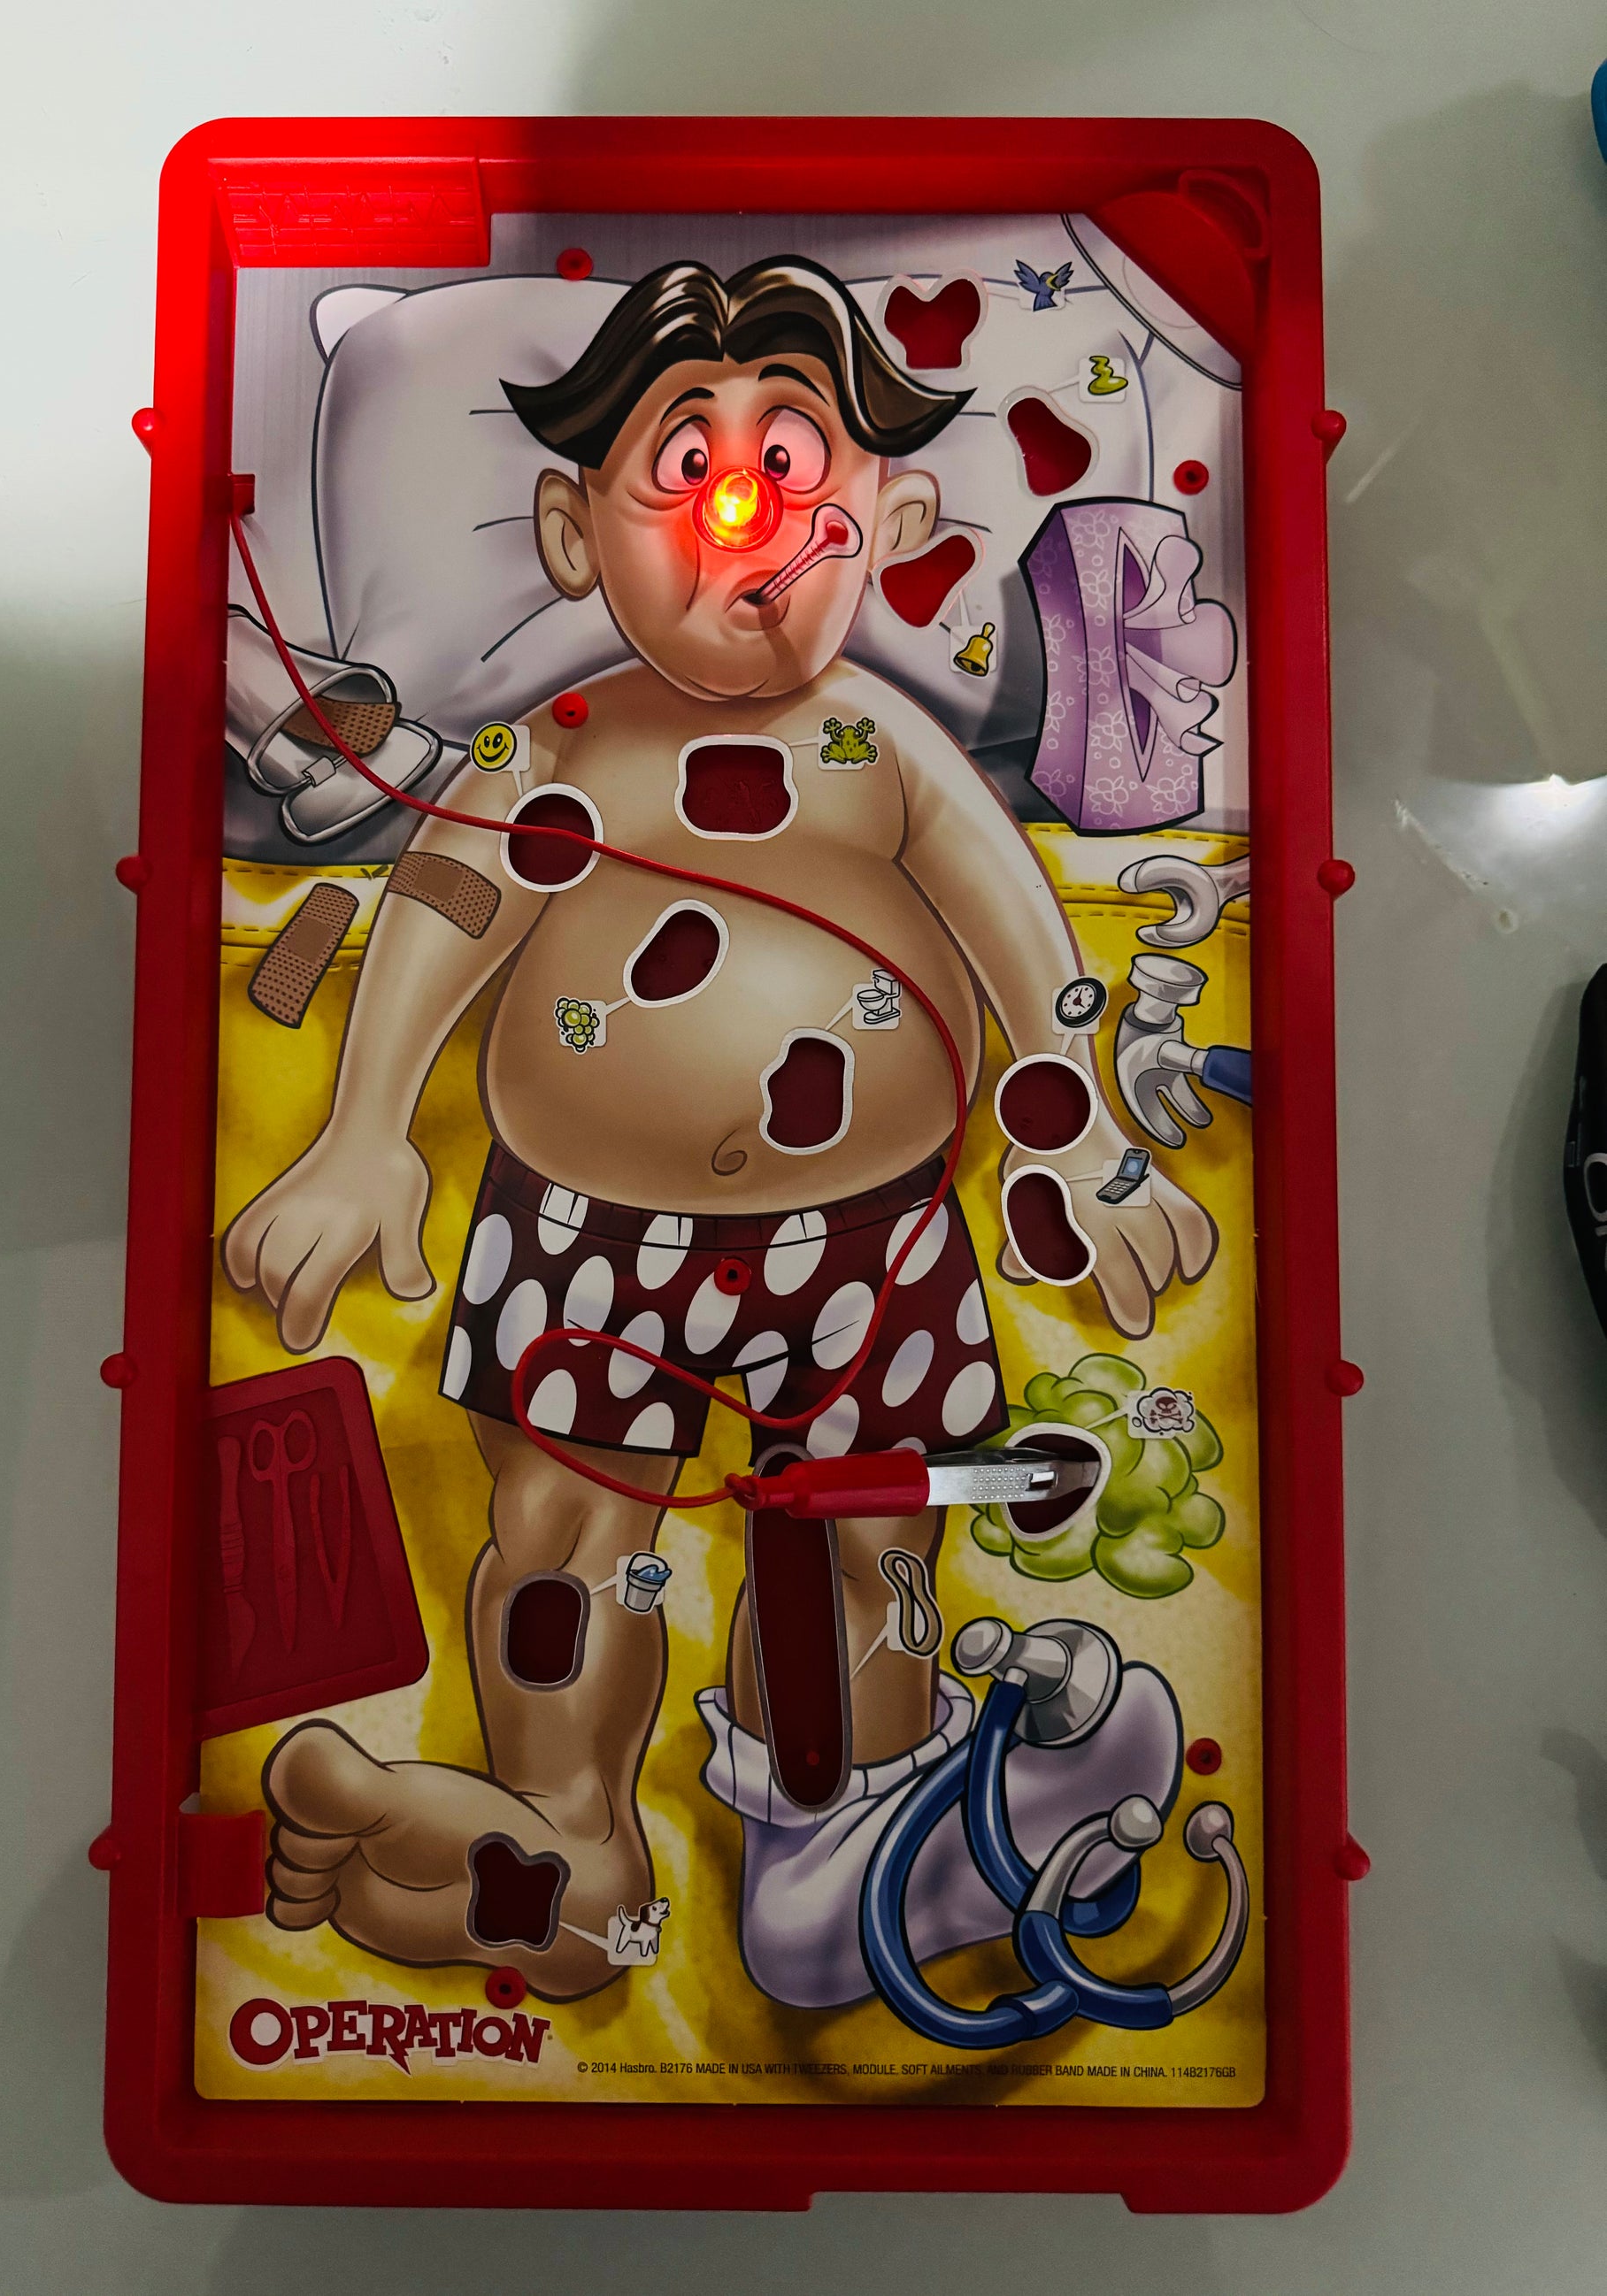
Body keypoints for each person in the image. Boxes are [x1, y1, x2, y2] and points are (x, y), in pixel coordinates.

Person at [225, 257, 1215, 1998]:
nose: (740, 509)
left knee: (864, 1541)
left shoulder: (885, 751)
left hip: (873, 1241)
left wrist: (1074, 1142)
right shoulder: (550, 747)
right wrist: (365, 1129)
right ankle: (563, 1834)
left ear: (887, 517)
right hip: (583, 1236)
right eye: (684, 465)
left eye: (789, 457)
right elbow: (447, 904)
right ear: (570, 533)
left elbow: (1025, 946)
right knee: (562, 1541)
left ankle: (842, 1828)